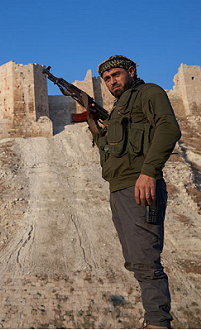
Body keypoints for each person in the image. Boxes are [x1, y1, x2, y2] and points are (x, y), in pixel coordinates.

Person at [87, 55, 181, 329]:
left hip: (139, 187)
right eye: (106, 78)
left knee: (145, 258)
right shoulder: (119, 107)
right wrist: (95, 127)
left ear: (131, 71)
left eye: (116, 75)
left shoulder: (148, 93)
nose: (111, 81)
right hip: (119, 190)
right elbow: (114, 147)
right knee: (136, 260)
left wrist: (149, 171)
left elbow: (168, 128)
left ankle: (157, 322)